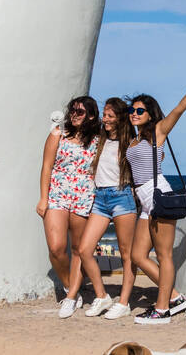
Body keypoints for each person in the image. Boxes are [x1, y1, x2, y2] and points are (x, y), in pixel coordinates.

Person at [130, 65, 186, 325]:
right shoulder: (133, 139)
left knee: (164, 255)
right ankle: (175, 297)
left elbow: (177, 110)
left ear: (150, 113)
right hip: (144, 201)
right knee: (138, 256)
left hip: (158, 196)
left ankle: (162, 309)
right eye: (132, 110)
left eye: (140, 110)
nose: (135, 113)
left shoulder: (158, 132)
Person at [77, 98, 141, 320]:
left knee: (126, 255)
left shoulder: (130, 143)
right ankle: (102, 295)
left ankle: (123, 302)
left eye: (110, 116)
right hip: (100, 199)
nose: (105, 119)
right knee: (84, 249)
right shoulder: (100, 140)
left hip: (122, 197)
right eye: (104, 114)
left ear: (120, 119)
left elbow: (150, 157)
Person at [39, 96, 100, 318]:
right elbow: (46, 167)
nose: (74, 114)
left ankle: (72, 296)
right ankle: (67, 285)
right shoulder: (58, 134)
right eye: (72, 110)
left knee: (78, 250)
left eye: (80, 112)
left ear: (91, 115)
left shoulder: (97, 140)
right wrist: (43, 198)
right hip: (57, 193)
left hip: (84, 195)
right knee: (56, 248)